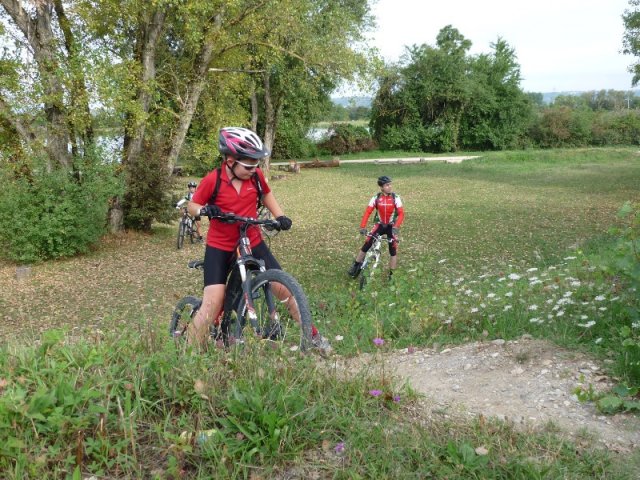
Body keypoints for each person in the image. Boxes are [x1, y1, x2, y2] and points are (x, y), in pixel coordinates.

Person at [187, 127, 331, 354]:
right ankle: (189, 353)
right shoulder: (213, 179)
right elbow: (191, 206)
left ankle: (313, 338)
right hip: (220, 246)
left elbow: (266, 194)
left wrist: (280, 216)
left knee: (284, 289)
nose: (254, 170)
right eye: (248, 165)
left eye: (256, 165)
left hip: (251, 239)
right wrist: (205, 209)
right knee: (213, 301)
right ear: (230, 160)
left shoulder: (255, 177)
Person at [347, 175, 405, 279]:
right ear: (381, 187)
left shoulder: (395, 198)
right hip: (380, 225)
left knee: (393, 249)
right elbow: (368, 212)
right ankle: (355, 265)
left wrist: (396, 226)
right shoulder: (376, 198)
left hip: (391, 226)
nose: (390, 187)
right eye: (387, 185)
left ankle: (392, 274)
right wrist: (362, 226)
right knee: (367, 243)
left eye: (390, 184)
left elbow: (401, 214)